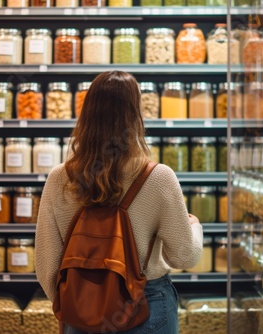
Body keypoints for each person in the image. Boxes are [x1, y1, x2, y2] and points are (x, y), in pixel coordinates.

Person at [35, 70, 203, 334]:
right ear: (135, 116)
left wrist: (81, 305)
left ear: (87, 114)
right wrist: (194, 226)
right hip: (147, 305)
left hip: (80, 309)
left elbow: (47, 266)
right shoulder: (158, 177)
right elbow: (184, 255)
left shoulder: (59, 178)